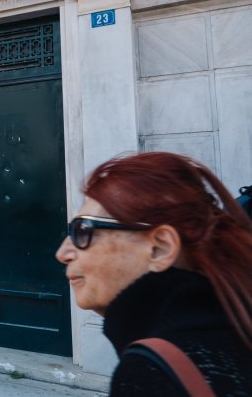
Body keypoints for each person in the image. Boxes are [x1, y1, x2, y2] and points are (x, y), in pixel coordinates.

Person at [56, 152, 252, 395]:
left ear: (160, 248)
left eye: (82, 230)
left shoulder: (152, 374)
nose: (63, 253)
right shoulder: (235, 328)